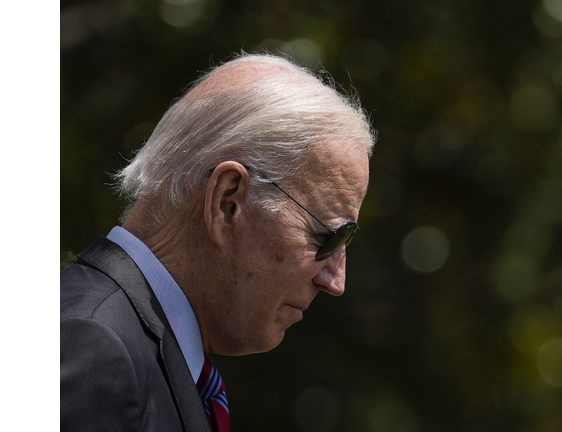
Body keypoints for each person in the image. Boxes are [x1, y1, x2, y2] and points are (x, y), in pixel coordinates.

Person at [60, 53, 375, 432]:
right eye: (327, 236)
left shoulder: (130, 348)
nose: (335, 281)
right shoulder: (93, 346)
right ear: (228, 203)